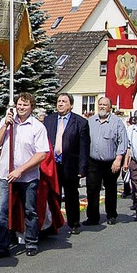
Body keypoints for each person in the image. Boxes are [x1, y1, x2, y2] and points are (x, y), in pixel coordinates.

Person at [0, 93, 48, 258]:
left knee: (29, 210)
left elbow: (42, 154)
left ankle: (31, 242)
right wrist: (5, 126)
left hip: (27, 176)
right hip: (5, 174)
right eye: (19, 104)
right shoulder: (7, 121)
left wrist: (21, 170)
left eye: (25, 105)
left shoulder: (37, 127)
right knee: (1, 210)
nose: (21, 108)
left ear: (31, 107)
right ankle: (1, 245)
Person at [43, 93, 90, 234]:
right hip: (52, 164)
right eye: (58, 101)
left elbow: (84, 148)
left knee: (71, 195)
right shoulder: (49, 120)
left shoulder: (81, 122)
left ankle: (74, 223)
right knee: (53, 195)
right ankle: (53, 224)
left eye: (64, 101)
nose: (60, 104)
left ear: (71, 105)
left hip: (70, 165)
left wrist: (82, 168)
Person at [84, 97, 127, 226]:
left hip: (111, 161)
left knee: (111, 189)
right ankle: (92, 217)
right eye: (100, 104)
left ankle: (111, 215)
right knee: (92, 189)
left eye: (105, 105)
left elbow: (123, 142)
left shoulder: (117, 122)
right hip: (93, 162)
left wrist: (118, 159)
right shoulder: (91, 121)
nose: (102, 107)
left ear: (110, 107)